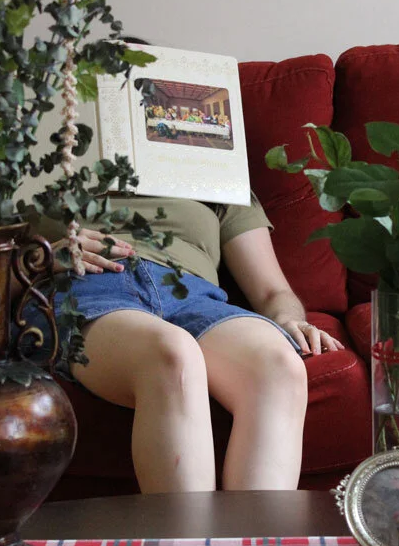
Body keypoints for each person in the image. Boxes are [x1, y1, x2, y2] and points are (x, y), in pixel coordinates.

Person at [30, 193, 344, 494]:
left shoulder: (217, 170)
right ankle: (188, 534)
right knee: (172, 354)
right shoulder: (40, 163)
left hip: (194, 296)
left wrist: (289, 319)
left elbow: (272, 291)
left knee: (279, 367)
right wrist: (43, 259)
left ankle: (252, 534)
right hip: (86, 288)